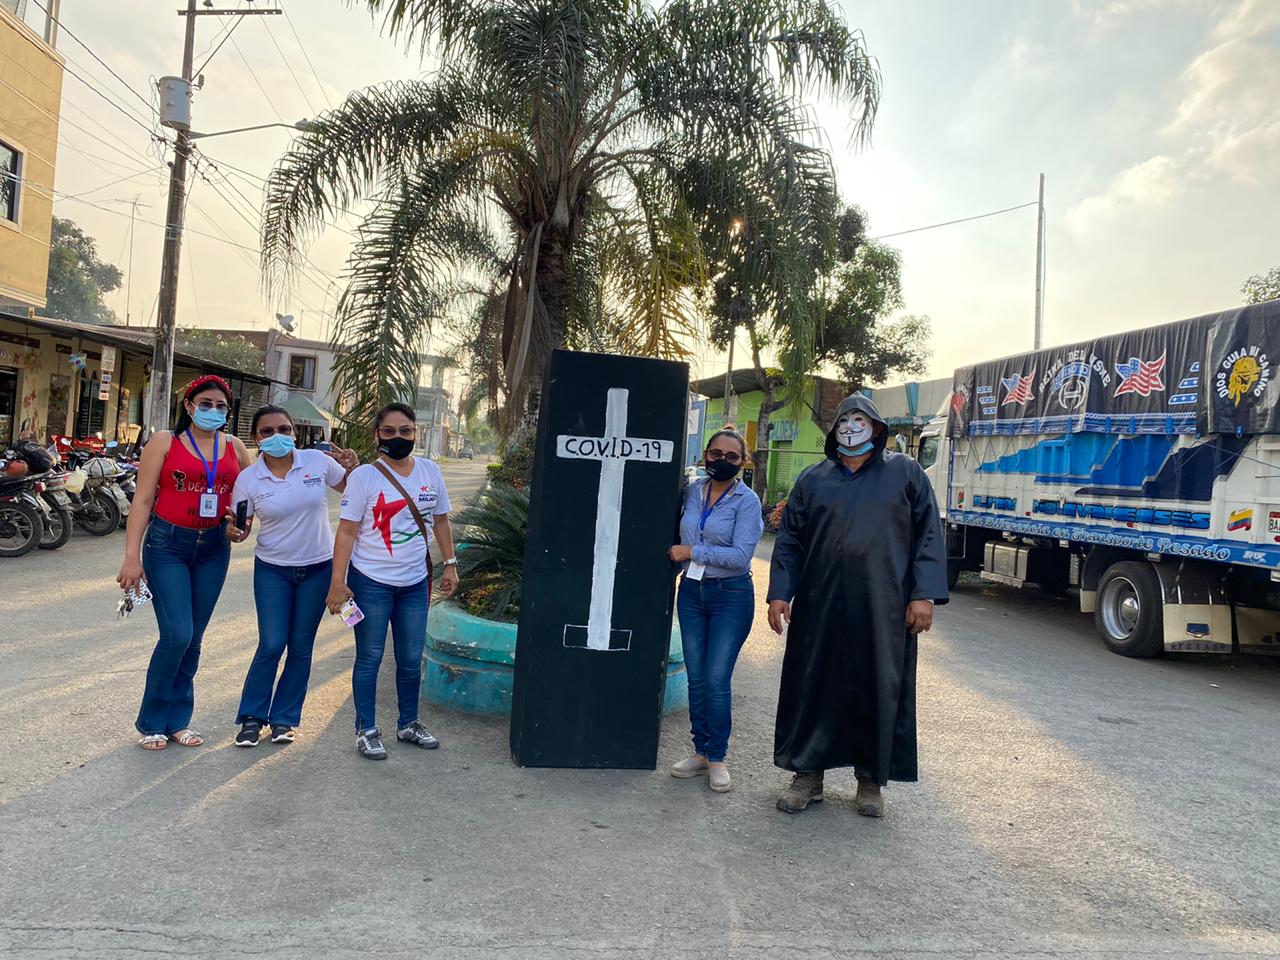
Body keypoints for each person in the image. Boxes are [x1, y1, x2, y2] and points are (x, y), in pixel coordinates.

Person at [767, 393, 948, 817]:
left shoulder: (905, 473)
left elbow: (928, 533)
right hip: (819, 605)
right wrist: (779, 592)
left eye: (859, 419)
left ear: (876, 428)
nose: (851, 427)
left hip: (883, 606)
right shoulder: (813, 479)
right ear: (834, 431)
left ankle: (870, 780)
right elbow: (790, 539)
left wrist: (923, 594)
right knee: (814, 684)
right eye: (843, 420)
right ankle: (807, 774)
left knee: (877, 686)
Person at [117, 375, 253, 751]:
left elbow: (247, 501)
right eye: (205, 403)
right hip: (167, 546)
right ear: (189, 406)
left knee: (193, 638)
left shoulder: (236, 448)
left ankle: (178, 720)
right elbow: (143, 500)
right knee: (177, 634)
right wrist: (131, 558)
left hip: (213, 549)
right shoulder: (165, 442)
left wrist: (241, 529)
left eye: (221, 406)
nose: (213, 411)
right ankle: (152, 721)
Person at [326, 403, 459, 760]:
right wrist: (337, 581)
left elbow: (441, 521)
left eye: (405, 431)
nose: (398, 437)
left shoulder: (430, 471)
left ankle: (408, 723)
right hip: (371, 582)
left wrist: (450, 564)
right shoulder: (364, 477)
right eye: (389, 431)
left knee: (411, 658)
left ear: (416, 433)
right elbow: (346, 532)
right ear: (377, 435)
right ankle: (366, 730)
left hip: (415, 583)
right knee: (370, 656)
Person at [225, 406, 359, 747]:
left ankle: (284, 718)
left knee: (300, 647)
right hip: (272, 570)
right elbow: (242, 527)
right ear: (256, 437)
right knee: (271, 643)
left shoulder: (316, 462)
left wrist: (353, 469)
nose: (277, 436)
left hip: (318, 568)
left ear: (294, 433)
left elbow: (355, 493)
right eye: (267, 431)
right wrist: (236, 533)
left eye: (284, 429)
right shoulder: (249, 479)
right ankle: (252, 717)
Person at [667, 428, 763, 793]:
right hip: (692, 592)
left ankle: (718, 757)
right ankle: (700, 752)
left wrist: (692, 552)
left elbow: (740, 556)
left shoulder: (747, 501)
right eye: (715, 453)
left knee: (716, 678)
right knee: (696, 678)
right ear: (705, 454)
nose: (722, 461)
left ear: (743, 462)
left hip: (730, 596)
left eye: (731, 456)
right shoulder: (693, 492)